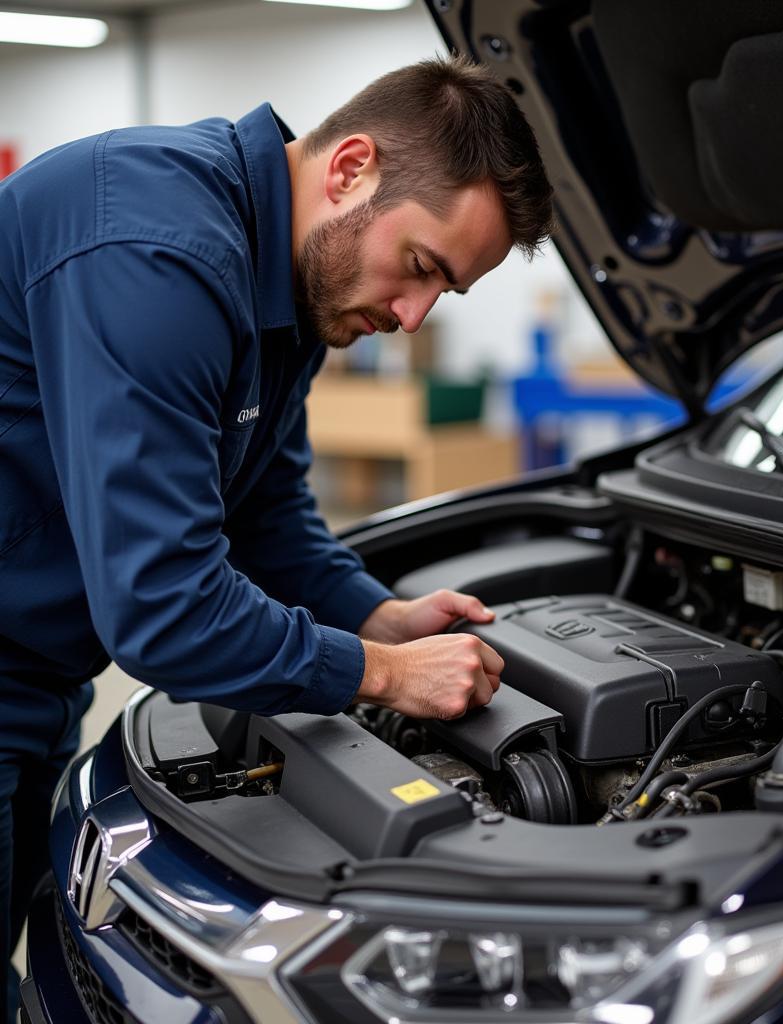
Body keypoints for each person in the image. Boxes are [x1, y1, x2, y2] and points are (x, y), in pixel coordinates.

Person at [0, 55, 553, 1021]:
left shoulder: (286, 287)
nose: (412, 317)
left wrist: (382, 617)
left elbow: (268, 523)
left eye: (445, 295)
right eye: (421, 267)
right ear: (350, 169)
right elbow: (167, 614)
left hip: (36, 672)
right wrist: (384, 676)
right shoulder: (159, 254)